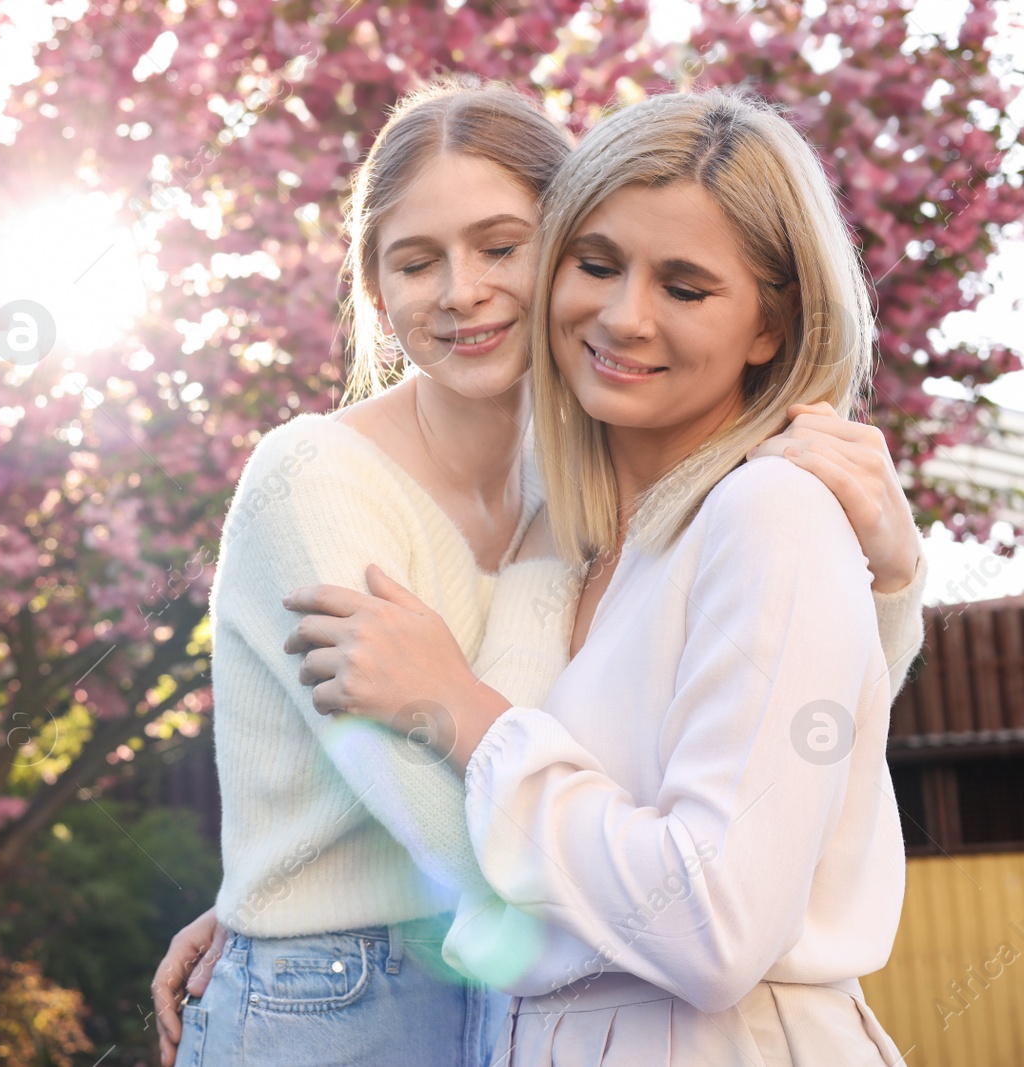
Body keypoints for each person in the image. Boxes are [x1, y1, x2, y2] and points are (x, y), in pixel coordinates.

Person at [155, 79, 927, 1067]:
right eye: (416, 260)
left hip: (539, 986)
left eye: (500, 245)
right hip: (359, 988)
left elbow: (790, 739)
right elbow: (470, 839)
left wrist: (891, 578)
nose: (461, 289)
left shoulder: (627, 494)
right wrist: (270, 896)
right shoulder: (329, 478)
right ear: (374, 291)